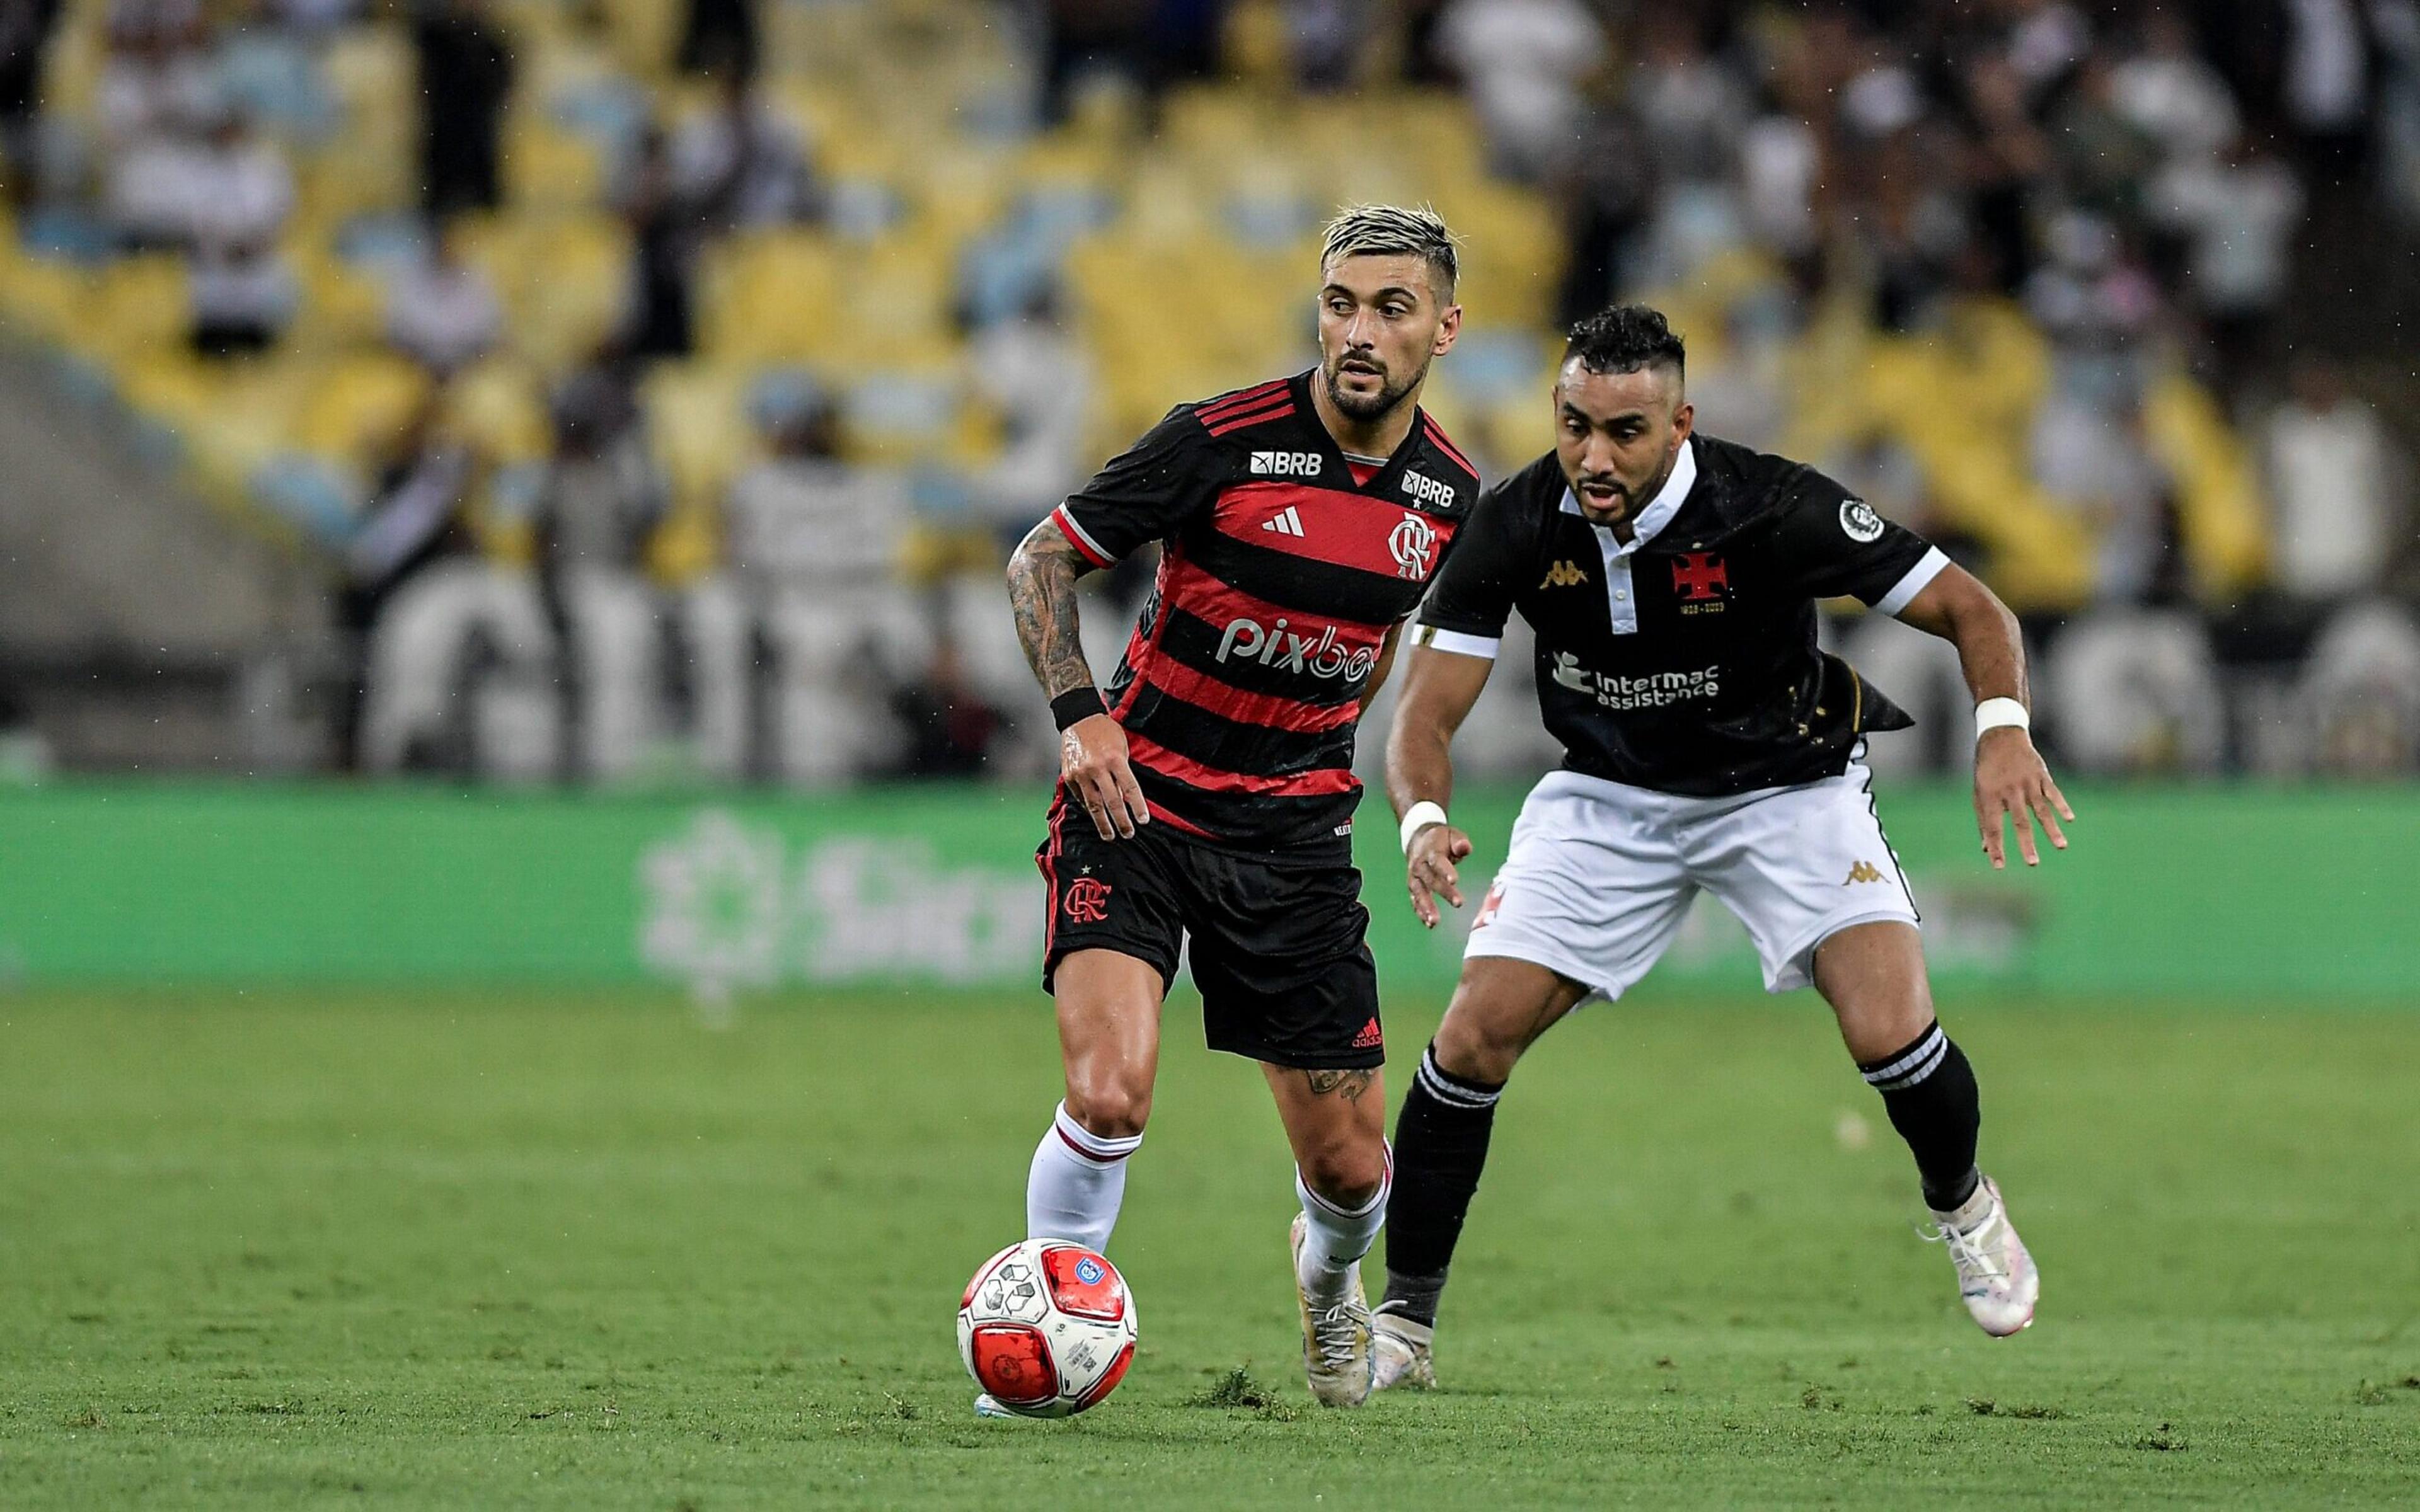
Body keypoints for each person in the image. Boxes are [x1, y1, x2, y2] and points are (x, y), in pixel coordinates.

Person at [1368, 305, 2072, 1392]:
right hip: (1610, 797)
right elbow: (1421, 716)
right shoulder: (1515, 520)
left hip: (1786, 785)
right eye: (1574, 425)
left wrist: (2003, 733)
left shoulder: (1775, 507)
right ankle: (1402, 1331)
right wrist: (1421, 817)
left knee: (1892, 1034)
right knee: (1469, 1040)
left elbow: (1977, 612)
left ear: (1681, 424)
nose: (1593, 458)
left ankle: (1963, 1203)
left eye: (1625, 432)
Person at [998, 204, 1480, 1411]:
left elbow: (1378, 659)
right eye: (1340, 304)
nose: (1358, 332)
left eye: (1391, 309)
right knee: (1109, 1094)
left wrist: (1389, 792)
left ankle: (1328, 1287)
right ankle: (1039, 1355)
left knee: (1356, 1169)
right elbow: (1040, 560)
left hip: (1294, 839)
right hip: (1137, 807)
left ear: (1446, 329)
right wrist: (1079, 712)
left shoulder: (1453, 501)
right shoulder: (1217, 442)